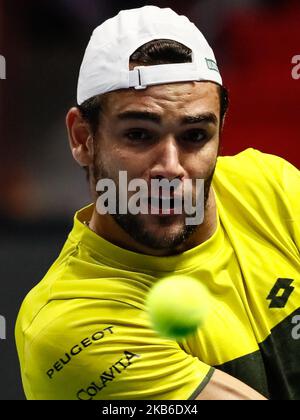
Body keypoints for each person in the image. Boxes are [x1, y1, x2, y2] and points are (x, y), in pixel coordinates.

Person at [15, 6, 299, 401]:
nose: (170, 168)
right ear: (82, 137)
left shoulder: (272, 187)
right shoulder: (68, 324)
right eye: (139, 135)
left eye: (195, 136)